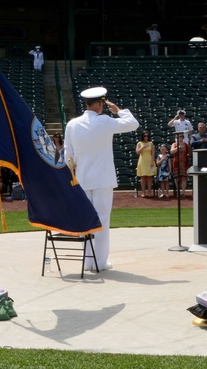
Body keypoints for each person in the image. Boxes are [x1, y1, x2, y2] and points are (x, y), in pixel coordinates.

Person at [64, 87, 139, 271]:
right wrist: (118, 110)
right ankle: (99, 262)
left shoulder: (72, 124)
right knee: (102, 220)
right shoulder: (105, 121)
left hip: (81, 179)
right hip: (102, 179)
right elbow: (133, 123)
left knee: (85, 220)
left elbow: (68, 155)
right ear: (99, 104)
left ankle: (88, 261)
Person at [169, 132, 192, 197]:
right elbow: (171, 151)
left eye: (181, 137)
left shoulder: (185, 144)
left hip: (184, 162)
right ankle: (178, 191)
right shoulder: (174, 144)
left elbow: (189, 153)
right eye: (179, 137)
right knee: (177, 178)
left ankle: (183, 192)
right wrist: (178, 147)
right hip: (177, 162)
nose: (180, 139)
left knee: (184, 177)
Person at [135, 130, 156, 197]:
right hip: (142, 160)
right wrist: (143, 147)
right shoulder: (139, 143)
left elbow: (153, 153)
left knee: (149, 177)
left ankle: (149, 191)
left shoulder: (151, 143)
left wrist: (152, 162)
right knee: (143, 176)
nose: (146, 137)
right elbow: (137, 152)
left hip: (149, 160)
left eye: (147, 136)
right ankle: (143, 192)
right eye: (144, 136)